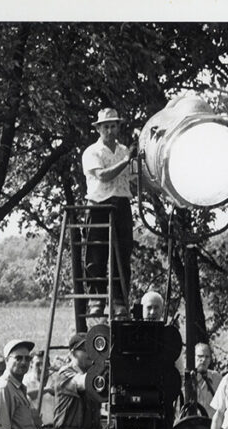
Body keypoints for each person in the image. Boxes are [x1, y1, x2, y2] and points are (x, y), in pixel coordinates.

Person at [82, 107, 136, 318]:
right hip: (99, 205)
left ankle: (119, 301)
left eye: (113, 126)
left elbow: (134, 176)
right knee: (96, 254)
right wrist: (126, 161)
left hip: (121, 204)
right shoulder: (92, 152)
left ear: (118, 127)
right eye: (106, 126)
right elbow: (103, 176)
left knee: (122, 254)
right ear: (99, 129)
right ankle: (96, 299)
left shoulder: (124, 150)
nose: (110, 130)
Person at [191, 342, 222, 419]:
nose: (203, 360)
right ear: (192, 357)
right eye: (200, 356)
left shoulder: (217, 379)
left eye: (207, 357)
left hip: (210, 426)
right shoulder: (185, 380)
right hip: (189, 426)